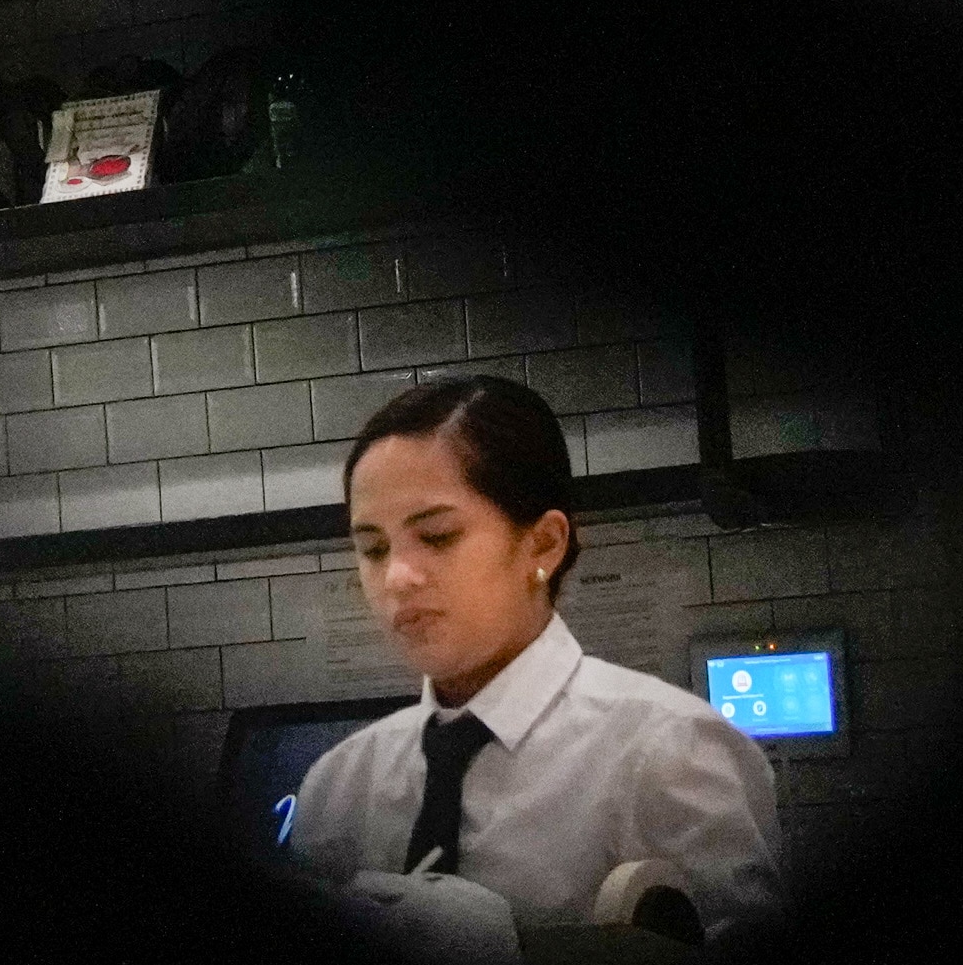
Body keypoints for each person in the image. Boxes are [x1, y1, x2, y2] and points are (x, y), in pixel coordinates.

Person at [286, 374, 785, 934]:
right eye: (373, 548)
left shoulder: (671, 751)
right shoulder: (340, 785)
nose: (397, 577)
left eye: (438, 535)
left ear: (543, 543)